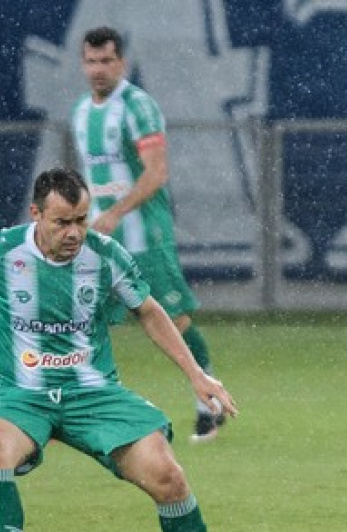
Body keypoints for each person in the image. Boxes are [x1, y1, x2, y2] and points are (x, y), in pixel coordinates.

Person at [0, 168, 246, 532]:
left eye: (81, 219)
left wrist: (196, 374)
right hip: (19, 394)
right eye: (62, 222)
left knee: (168, 476)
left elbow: (150, 312)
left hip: (94, 394)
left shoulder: (105, 255)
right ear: (35, 214)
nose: (75, 232)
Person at [71, 25, 223, 443]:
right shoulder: (82, 112)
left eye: (106, 61)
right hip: (98, 240)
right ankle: (75, 407)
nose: (98, 69)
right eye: (90, 61)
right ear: (82, 64)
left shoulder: (138, 107)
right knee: (81, 319)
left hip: (144, 236)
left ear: (121, 62)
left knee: (172, 319)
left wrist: (116, 212)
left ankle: (207, 396)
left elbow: (156, 173)